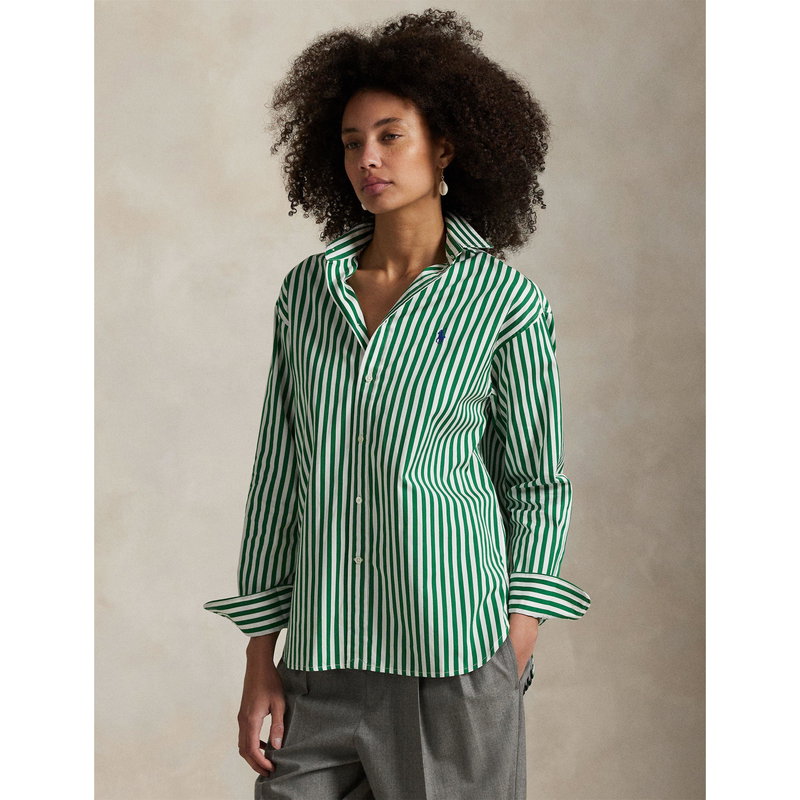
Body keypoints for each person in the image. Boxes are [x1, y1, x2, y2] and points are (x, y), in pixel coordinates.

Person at [203, 9, 592, 799]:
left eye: (390, 136)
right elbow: (279, 474)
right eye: (352, 142)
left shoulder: (504, 302)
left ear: (444, 146)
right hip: (322, 659)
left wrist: (515, 638)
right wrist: (260, 656)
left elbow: (535, 484)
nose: (368, 159)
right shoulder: (309, 294)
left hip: (450, 657)